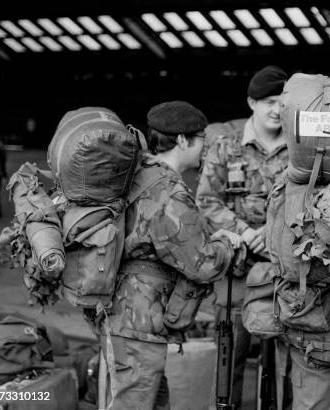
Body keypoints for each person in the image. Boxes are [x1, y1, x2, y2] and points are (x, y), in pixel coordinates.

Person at [98, 101, 243, 409]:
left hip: (126, 314)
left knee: (150, 399)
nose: (206, 144)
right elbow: (203, 264)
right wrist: (228, 244)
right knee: (135, 402)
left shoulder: (142, 176)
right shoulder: (168, 193)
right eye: (201, 137)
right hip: (139, 320)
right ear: (181, 140)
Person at [196, 65, 289, 409]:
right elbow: (205, 200)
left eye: (282, 101)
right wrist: (247, 233)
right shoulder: (225, 147)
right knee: (229, 358)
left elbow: (309, 204)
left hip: (283, 273)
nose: (277, 109)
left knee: (284, 363)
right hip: (236, 276)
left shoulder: (300, 150)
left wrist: (272, 231)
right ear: (252, 102)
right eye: (269, 101)